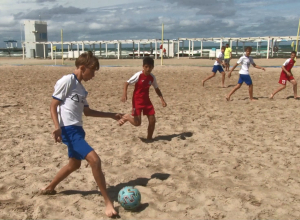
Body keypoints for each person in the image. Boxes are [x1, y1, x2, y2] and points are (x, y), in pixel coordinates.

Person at [42, 51, 120, 217]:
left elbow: (88, 112)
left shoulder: (82, 90)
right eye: (92, 71)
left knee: (74, 165)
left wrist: (111, 115)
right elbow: (53, 105)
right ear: (83, 68)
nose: (93, 75)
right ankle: (108, 202)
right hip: (68, 130)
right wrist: (57, 127)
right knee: (95, 160)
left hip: (78, 130)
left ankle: (50, 187)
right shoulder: (67, 80)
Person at [120, 57, 167, 140]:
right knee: (137, 123)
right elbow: (126, 83)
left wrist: (162, 100)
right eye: (146, 67)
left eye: (150, 67)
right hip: (137, 101)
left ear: (152, 67)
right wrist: (124, 94)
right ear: (143, 66)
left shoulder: (152, 77)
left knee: (152, 120)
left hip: (146, 101)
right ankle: (127, 117)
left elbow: (157, 89)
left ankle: (149, 139)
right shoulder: (138, 75)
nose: (148, 69)